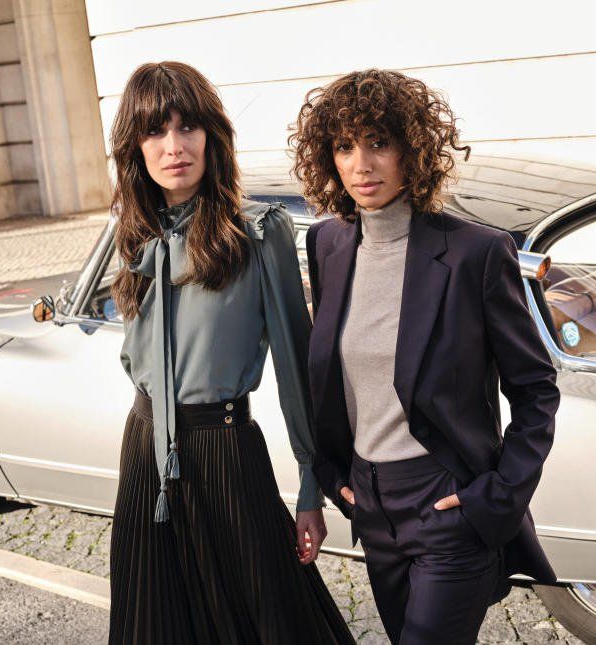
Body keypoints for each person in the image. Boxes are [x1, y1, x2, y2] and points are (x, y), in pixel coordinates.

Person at [291, 69, 561, 645]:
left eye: (378, 142)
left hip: (445, 502)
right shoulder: (328, 243)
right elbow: (334, 376)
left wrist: (494, 496)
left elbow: (536, 390)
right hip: (371, 505)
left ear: (412, 150)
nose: (362, 165)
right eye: (344, 146)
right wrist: (335, 476)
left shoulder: (475, 254)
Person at [108, 61, 354, 644]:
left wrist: (311, 487)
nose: (174, 147)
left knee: (265, 621)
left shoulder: (257, 231)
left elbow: (297, 369)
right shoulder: (135, 231)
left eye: (187, 127)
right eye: (155, 131)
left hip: (225, 451)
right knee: (154, 624)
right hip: (144, 451)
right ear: (135, 147)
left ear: (211, 135)